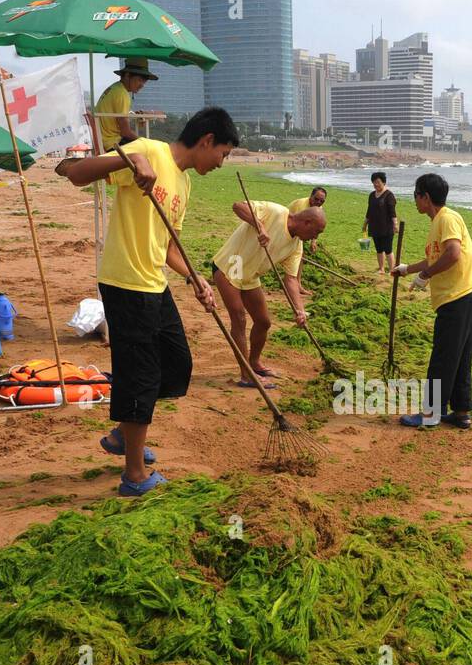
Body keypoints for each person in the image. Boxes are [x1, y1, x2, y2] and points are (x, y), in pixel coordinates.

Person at [55, 106, 240, 496]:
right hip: (125, 284)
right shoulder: (149, 151)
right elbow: (74, 173)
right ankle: (134, 475)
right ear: (207, 141)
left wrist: (194, 278)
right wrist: (131, 157)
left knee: (177, 363)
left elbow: (169, 246)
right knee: (139, 374)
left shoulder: (184, 184)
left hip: (154, 282)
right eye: (223, 154)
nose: (222, 164)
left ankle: (124, 434)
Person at [391, 173, 472, 430]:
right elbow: (434, 259)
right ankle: (461, 412)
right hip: (462, 299)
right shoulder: (438, 221)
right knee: (460, 357)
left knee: (442, 358)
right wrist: (407, 269)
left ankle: (431, 413)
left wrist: (425, 275)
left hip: (457, 299)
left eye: (416, 195)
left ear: (425, 196)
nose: (414, 200)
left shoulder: (447, 218)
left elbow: (452, 254)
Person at [211, 200, 324, 387]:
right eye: (317, 231)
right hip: (230, 266)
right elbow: (238, 206)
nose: (316, 236)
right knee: (239, 318)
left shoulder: (296, 246)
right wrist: (259, 226)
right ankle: (246, 373)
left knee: (263, 321)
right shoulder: (276, 212)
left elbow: (291, 279)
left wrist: (300, 309)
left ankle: (254, 362)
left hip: (250, 275)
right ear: (307, 222)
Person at [95, 58, 156, 153]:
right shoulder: (122, 94)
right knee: (152, 150)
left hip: (103, 140)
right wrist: (146, 142)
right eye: (139, 80)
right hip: (113, 144)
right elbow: (125, 132)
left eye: (144, 82)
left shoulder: (115, 88)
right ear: (127, 76)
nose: (142, 85)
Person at [362, 171, 397, 274]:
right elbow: (369, 211)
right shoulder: (372, 195)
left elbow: (392, 212)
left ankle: (392, 270)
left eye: (378, 182)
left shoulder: (389, 195)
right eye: (374, 182)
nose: (375, 184)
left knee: (388, 249)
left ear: (384, 182)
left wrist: (395, 225)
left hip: (386, 227)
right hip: (375, 226)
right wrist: (365, 223)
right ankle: (381, 269)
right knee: (378, 248)